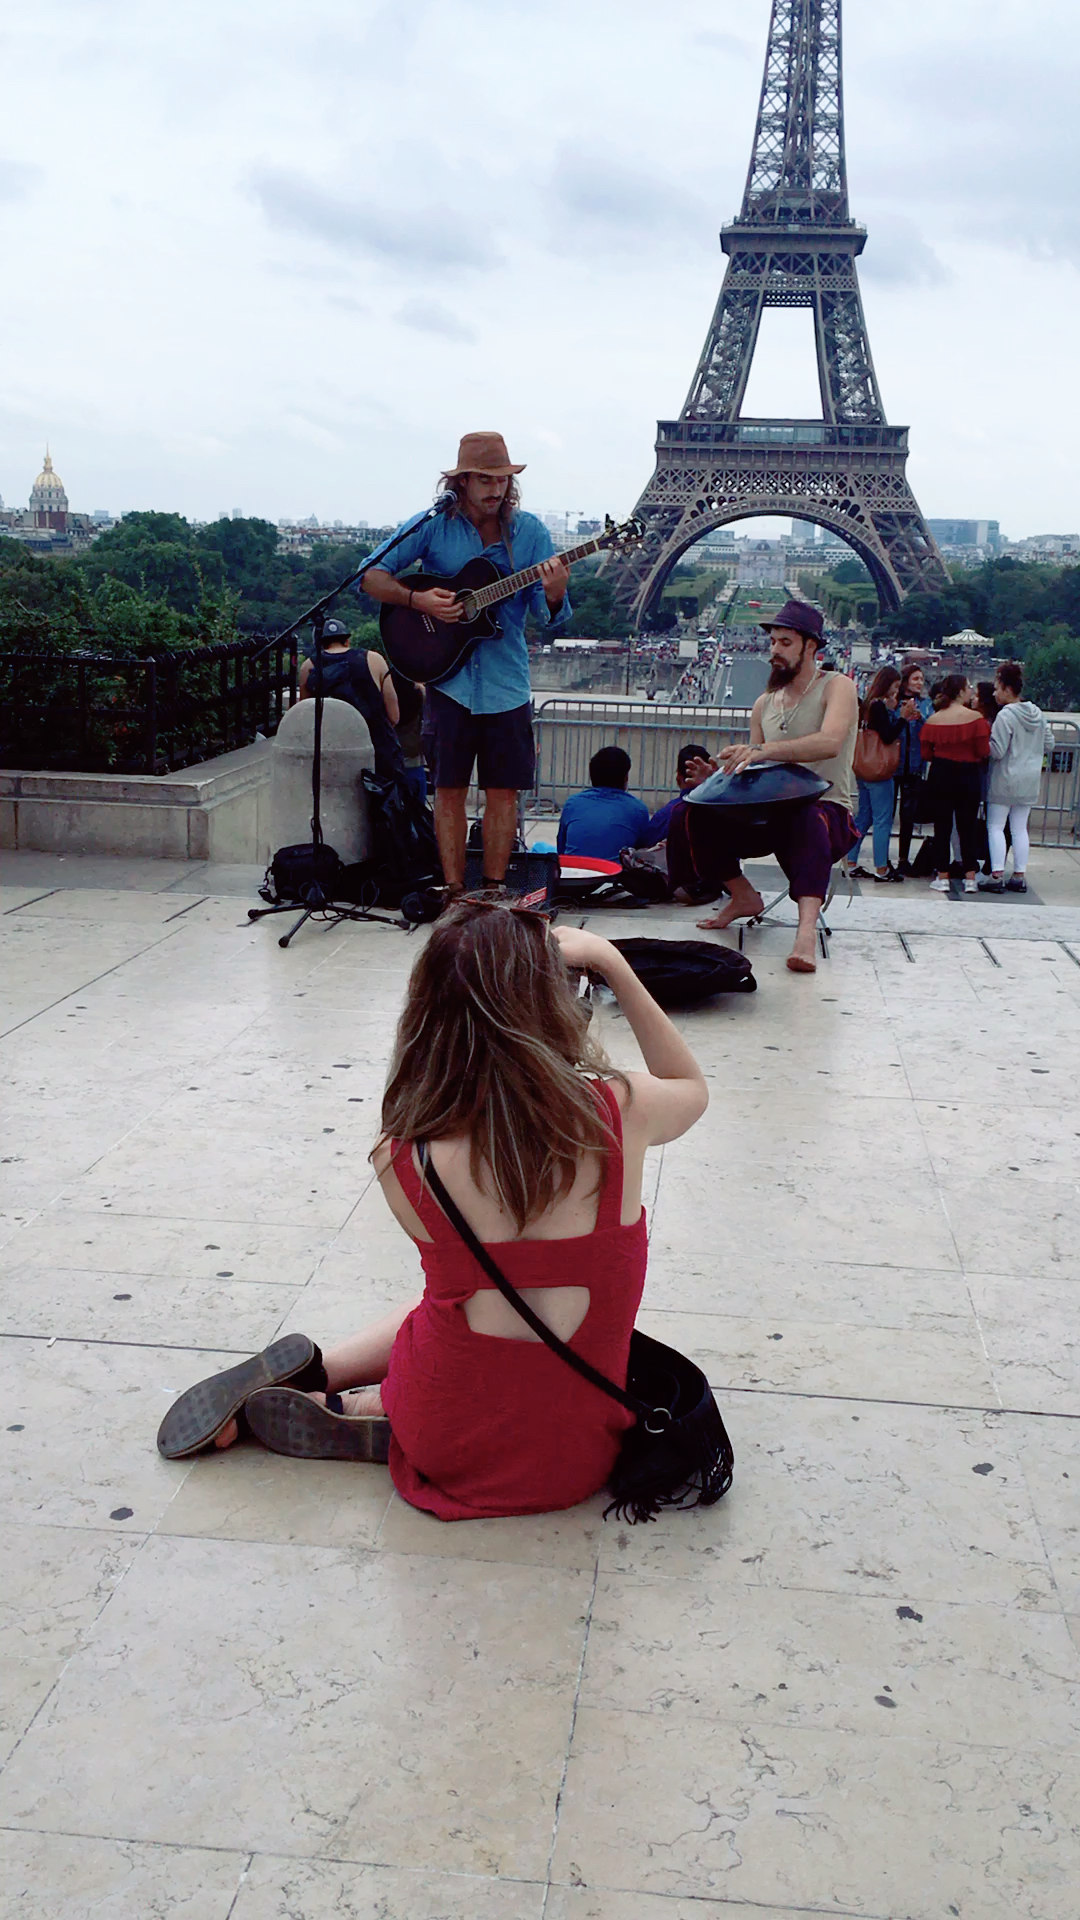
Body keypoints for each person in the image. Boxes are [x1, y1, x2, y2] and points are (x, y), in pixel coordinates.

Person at [156, 900, 708, 1520]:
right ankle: (353, 1404)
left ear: (426, 1012)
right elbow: (692, 1087)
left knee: (457, 1296)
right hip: (577, 1454)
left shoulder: (401, 1157)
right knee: (484, 1296)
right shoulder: (620, 1109)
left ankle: (346, 1390)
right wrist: (613, 962)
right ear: (552, 1003)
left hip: (447, 1433)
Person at [360, 433, 571, 892]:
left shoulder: (530, 532)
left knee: (503, 794)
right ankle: (455, 891)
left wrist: (554, 591)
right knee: (448, 792)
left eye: (502, 479)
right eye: (484, 479)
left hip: (505, 685)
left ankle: (492, 890)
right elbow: (371, 575)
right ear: (461, 481)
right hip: (449, 682)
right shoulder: (434, 525)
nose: (495, 489)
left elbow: (545, 615)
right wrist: (418, 600)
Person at [686, 601, 859, 974]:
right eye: (773, 642)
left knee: (805, 815)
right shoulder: (764, 703)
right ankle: (743, 895)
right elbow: (756, 770)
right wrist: (717, 784)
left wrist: (763, 750)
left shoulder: (838, 687)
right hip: (771, 813)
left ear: (811, 647)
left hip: (827, 810)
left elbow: (829, 743)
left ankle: (806, 931)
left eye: (785, 642)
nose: (774, 651)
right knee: (697, 813)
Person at [298, 618, 406, 783]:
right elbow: (394, 716)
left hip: (331, 756)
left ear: (319, 643)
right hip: (377, 754)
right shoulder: (374, 659)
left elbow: (305, 718)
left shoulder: (308, 667)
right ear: (347, 640)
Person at [979, 660, 1053, 894]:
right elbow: (1049, 743)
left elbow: (997, 751)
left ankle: (996, 874)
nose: (994, 692)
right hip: (1030, 779)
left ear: (1007, 689)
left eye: (997, 687)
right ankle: (1019, 874)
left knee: (996, 827)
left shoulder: (1005, 716)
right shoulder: (1038, 713)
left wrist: (984, 744)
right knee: (1020, 828)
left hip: (1005, 778)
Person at [919, 674, 991, 892]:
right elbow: (983, 751)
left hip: (941, 772)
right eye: (968, 686)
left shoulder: (933, 720)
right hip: (968, 773)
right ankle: (970, 876)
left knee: (942, 825)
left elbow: (926, 753)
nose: (970, 690)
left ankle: (942, 876)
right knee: (967, 825)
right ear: (960, 691)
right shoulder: (976, 719)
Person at [846, 665, 914, 883]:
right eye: (895, 686)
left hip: (863, 766)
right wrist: (902, 717)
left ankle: (851, 861)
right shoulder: (878, 706)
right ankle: (882, 868)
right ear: (888, 684)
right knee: (883, 819)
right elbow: (887, 736)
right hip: (879, 770)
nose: (896, 690)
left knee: (863, 816)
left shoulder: (867, 704)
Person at [557, 747, 651, 861]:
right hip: (616, 876)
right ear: (625, 778)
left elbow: (561, 849)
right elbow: (642, 855)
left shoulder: (572, 804)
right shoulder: (638, 810)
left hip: (574, 874)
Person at [895, 664, 934, 873]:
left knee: (908, 814)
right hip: (894, 762)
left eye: (921, 679)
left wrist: (922, 719)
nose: (919, 683)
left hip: (915, 764)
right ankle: (884, 860)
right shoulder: (895, 702)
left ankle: (903, 859)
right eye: (915, 679)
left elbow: (932, 728)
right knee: (886, 812)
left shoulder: (926, 704)